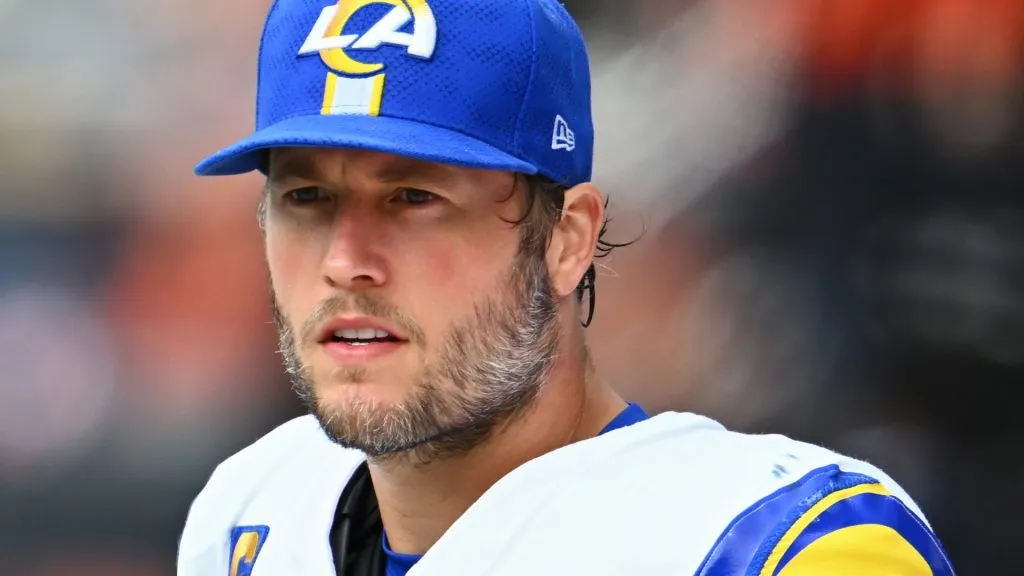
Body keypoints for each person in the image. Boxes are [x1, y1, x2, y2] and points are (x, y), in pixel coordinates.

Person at [176, 0, 957, 574]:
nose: (346, 260)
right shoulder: (249, 510)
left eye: (413, 198)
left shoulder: (776, 543)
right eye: (305, 198)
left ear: (567, 238)